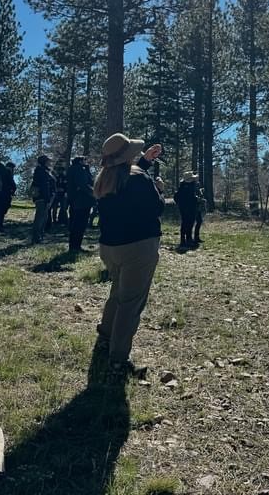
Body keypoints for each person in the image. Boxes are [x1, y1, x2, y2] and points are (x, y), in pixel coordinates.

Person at [94, 133, 165, 380]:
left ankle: (105, 337)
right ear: (127, 157)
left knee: (117, 294)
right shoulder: (139, 181)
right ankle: (118, 359)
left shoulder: (105, 178)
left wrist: (145, 162)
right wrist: (158, 190)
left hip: (110, 248)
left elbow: (128, 178)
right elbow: (157, 207)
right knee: (131, 304)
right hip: (138, 248)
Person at [67, 155, 95, 255]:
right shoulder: (79, 169)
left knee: (76, 224)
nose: (86, 162)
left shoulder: (73, 169)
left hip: (76, 200)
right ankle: (75, 246)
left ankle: (74, 246)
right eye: (84, 160)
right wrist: (93, 193)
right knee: (79, 224)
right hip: (81, 201)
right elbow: (83, 184)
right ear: (80, 161)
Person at [30, 154, 56, 244]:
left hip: (45, 197)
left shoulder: (44, 170)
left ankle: (40, 236)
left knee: (44, 217)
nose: (50, 162)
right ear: (45, 161)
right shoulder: (41, 171)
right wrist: (47, 198)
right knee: (40, 217)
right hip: (42, 197)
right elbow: (44, 186)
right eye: (48, 161)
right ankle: (36, 237)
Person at [175, 171, 199, 251]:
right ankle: (185, 240)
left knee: (186, 223)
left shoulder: (183, 186)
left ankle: (186, 240)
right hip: (188, 208)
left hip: (184, 208)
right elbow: (189, 198)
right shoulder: (187, 187)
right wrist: (196, 199)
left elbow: (177, 197)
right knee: (187, 223)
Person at [0, 161, 16, 233]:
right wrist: (13, 190)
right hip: (5, 194)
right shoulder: (8, 172)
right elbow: (12, 184)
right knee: (2, 211)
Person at [49, 160, 68, 230]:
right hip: (56, 195)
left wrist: (65, 192)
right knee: (54, 208)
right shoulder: (55, 178)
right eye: (59, 170)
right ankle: (54, 220)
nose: (61, 172)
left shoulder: (65, 178)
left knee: (63, 208)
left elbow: (66, 186)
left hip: (63, 195)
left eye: (62, 170)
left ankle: (63, 220)